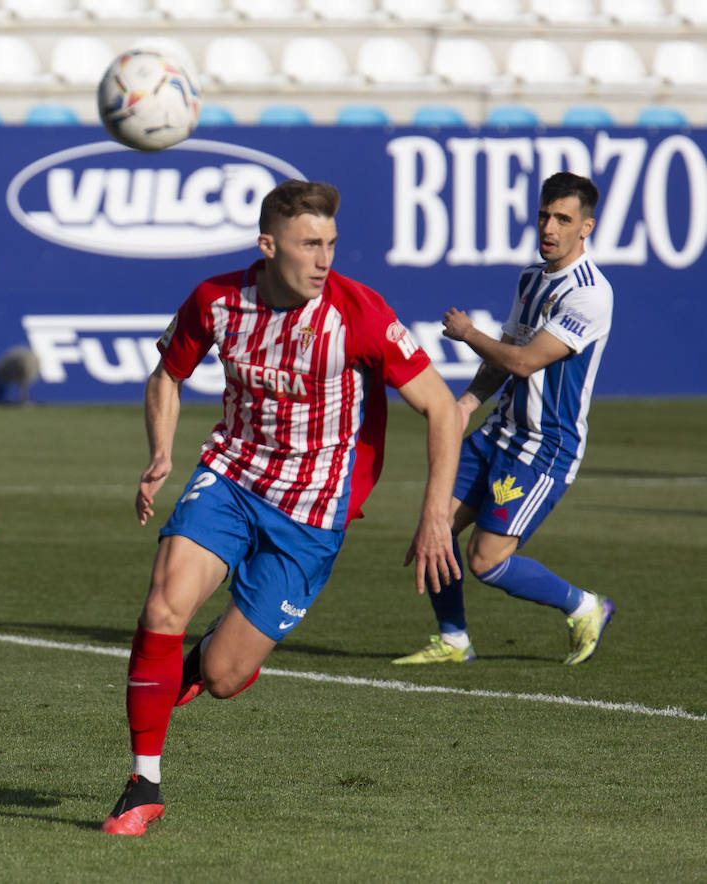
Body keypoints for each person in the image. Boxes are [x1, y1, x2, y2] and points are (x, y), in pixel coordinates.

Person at [101, 180, 462, 836]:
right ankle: (143, 783)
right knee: (163, 604)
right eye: (308, 245)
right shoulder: (216, 301)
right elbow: (167, 375)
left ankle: (210, 657)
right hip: (231, 477)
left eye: (330, 244)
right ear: (268, 247)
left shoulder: (359, 315)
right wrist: (161, 452)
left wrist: (435, 513)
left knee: (223, 675)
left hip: (312, 511)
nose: (324, 260)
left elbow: (440, 406)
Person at [393, 172, 615, 666]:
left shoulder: (590, 293)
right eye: (544, 216)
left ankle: (586, 606)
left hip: (543, 447)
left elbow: (524, 361)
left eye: (563, 218)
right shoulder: (531, 279)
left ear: (586, 228)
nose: (549, 227)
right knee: (436, 530)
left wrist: (468, 333)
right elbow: (507, 353)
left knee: (486, 560)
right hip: (499, 432)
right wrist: (468, 404)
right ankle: (454, 642)